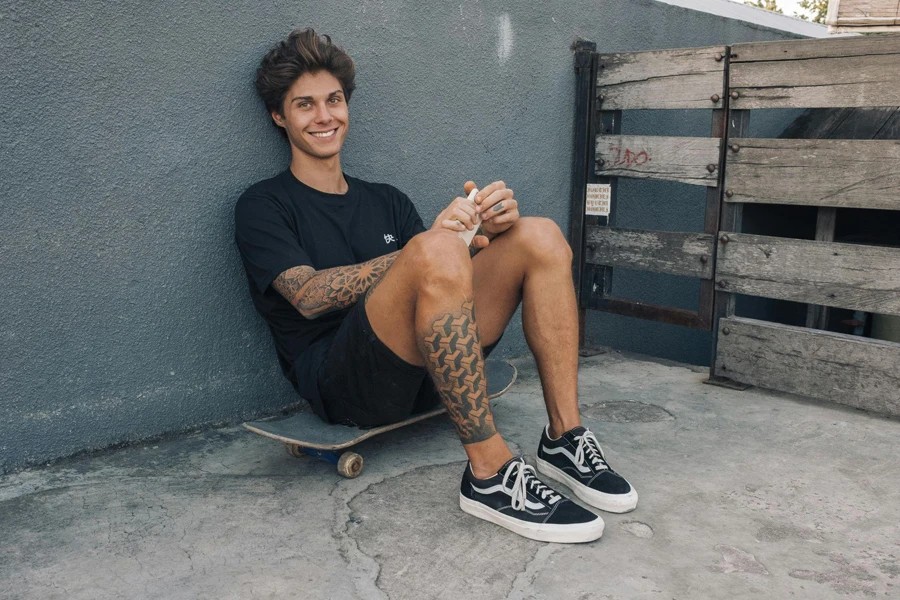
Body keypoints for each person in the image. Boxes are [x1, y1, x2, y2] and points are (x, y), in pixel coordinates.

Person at [234, 28, 638, 543]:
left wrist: (479, 233)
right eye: (304, 105)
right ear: (279, 116)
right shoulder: (263, 205)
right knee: (432, 246)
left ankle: (564, 437)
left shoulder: (387, 199)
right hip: (347, 388)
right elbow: (308, 297)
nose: (324, 116)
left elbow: (437, 278)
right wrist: (432, 246)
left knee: (537, 234)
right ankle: (489, 476)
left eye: (333, 100)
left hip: (431, 372)